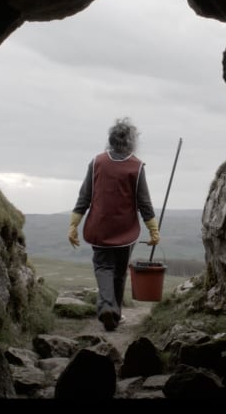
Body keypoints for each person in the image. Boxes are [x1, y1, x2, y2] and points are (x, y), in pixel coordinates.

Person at [67, 117, 159, 331]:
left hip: (99, 227)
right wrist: (153, 230)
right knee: (119, 271)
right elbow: (144, 202)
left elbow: (85, 196)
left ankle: (108, 307)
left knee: (103, 267)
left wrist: (73, 225)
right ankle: (114, 315)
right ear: (131, 142)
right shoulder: (136, 167)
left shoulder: (97, 162)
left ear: (110, 140)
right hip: (126, 230)